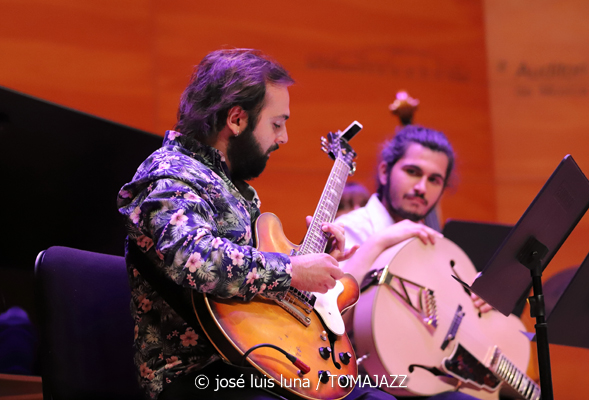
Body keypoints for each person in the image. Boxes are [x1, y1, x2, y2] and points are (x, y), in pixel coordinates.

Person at [117, 49, 396, 400]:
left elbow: (250, 282)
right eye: (277, 123)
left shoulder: (233, 187)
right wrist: (293, 269)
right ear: (236, 119)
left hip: (255, 362)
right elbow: (197, 260)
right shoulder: (169, 176)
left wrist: (313, 260)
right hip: (199, 377)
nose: (284, 138)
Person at [335, 125, 489, 399]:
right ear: (384, 172)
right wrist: (379, 243)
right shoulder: (348, 231)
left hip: (417, 378)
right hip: (361, 380)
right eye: (412, 172)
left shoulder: (433, 244)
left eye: (435, 180)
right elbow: (330, 321)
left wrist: (476, 304)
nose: (421, 188)